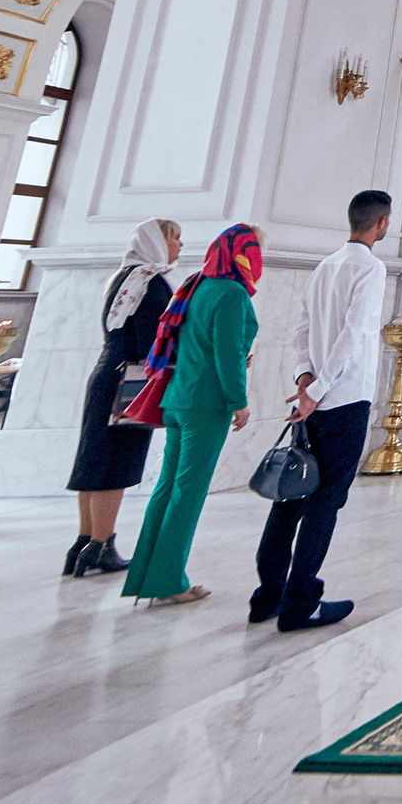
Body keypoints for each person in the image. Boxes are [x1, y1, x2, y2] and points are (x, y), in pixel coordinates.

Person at [252, 190, 390, 632]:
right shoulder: (371, 268)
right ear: (381, 224)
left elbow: (303, 330)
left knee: (292, 494)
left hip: (313, 398)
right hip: (344, 399)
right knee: (325, 501)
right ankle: (300, 602)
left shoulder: (325, 266)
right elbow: (353, 334)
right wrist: (319, 388)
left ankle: (267, 595)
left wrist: (304, 379)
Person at [122, 225, 262, 607]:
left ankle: (147, 576)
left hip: (180, 397)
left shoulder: (196, 285)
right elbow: (227, 352)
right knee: (188, 494)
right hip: (206, 403)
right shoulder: (231, 293)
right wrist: (238, 400)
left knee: (167, 488)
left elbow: (195, 342)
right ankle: (169, 580)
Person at [63, 219, 181, 577]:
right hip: (130, 381)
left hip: (106, 374)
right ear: (156, 242)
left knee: (94, 458)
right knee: (114, 463)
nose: (179, 245)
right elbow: (153, 341)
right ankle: (101, 545)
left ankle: (84, 542)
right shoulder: (150, 281)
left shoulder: (123, 277)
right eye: (174, 238)